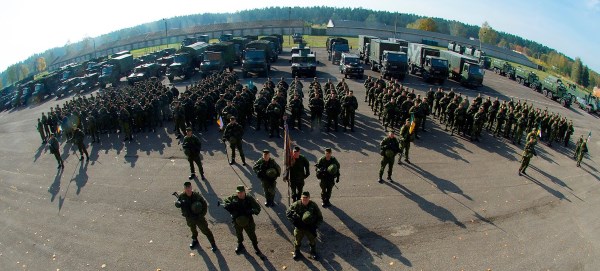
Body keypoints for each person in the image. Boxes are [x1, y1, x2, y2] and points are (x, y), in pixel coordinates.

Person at [222, 185, 263, 256]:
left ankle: (255, 247)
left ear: (244, 192)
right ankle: (240, 244)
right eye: (238, 193)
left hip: (248, 221)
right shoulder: (233, 198)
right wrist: (227, 205)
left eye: (241, 192)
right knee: (238, 234)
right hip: (237, 221)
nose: (240, 194)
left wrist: (251, 211)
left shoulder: (249, 199)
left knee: (252, 235)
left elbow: (258, 208)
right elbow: (225, 201)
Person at [175, 182, 217, 251]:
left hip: (198, 217)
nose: (188, 190)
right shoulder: (182, 196)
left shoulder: (197, 196)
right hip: (189, 218)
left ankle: (213, 243)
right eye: (186, 188)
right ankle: (195, 240)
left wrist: (201, 215)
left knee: (205, 230)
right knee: (193, 229)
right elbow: (177, 203)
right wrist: (177, 204)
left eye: (189, 188)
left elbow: (204, 205)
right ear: (184, 189)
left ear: (191, 188)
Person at [286, 191, 323, 260]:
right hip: (299, 227)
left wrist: (316, 226)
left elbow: (320, 218)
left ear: (309, 198)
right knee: (297, 239)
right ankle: (297, 251)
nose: (305, 200)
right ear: (301, 198)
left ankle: (313, 251)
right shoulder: (296, 204)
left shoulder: (313, 205)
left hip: (309, 227)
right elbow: (288, 213)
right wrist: (294, 222)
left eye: (306, 198)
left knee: (312, 240)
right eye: (303, 198)